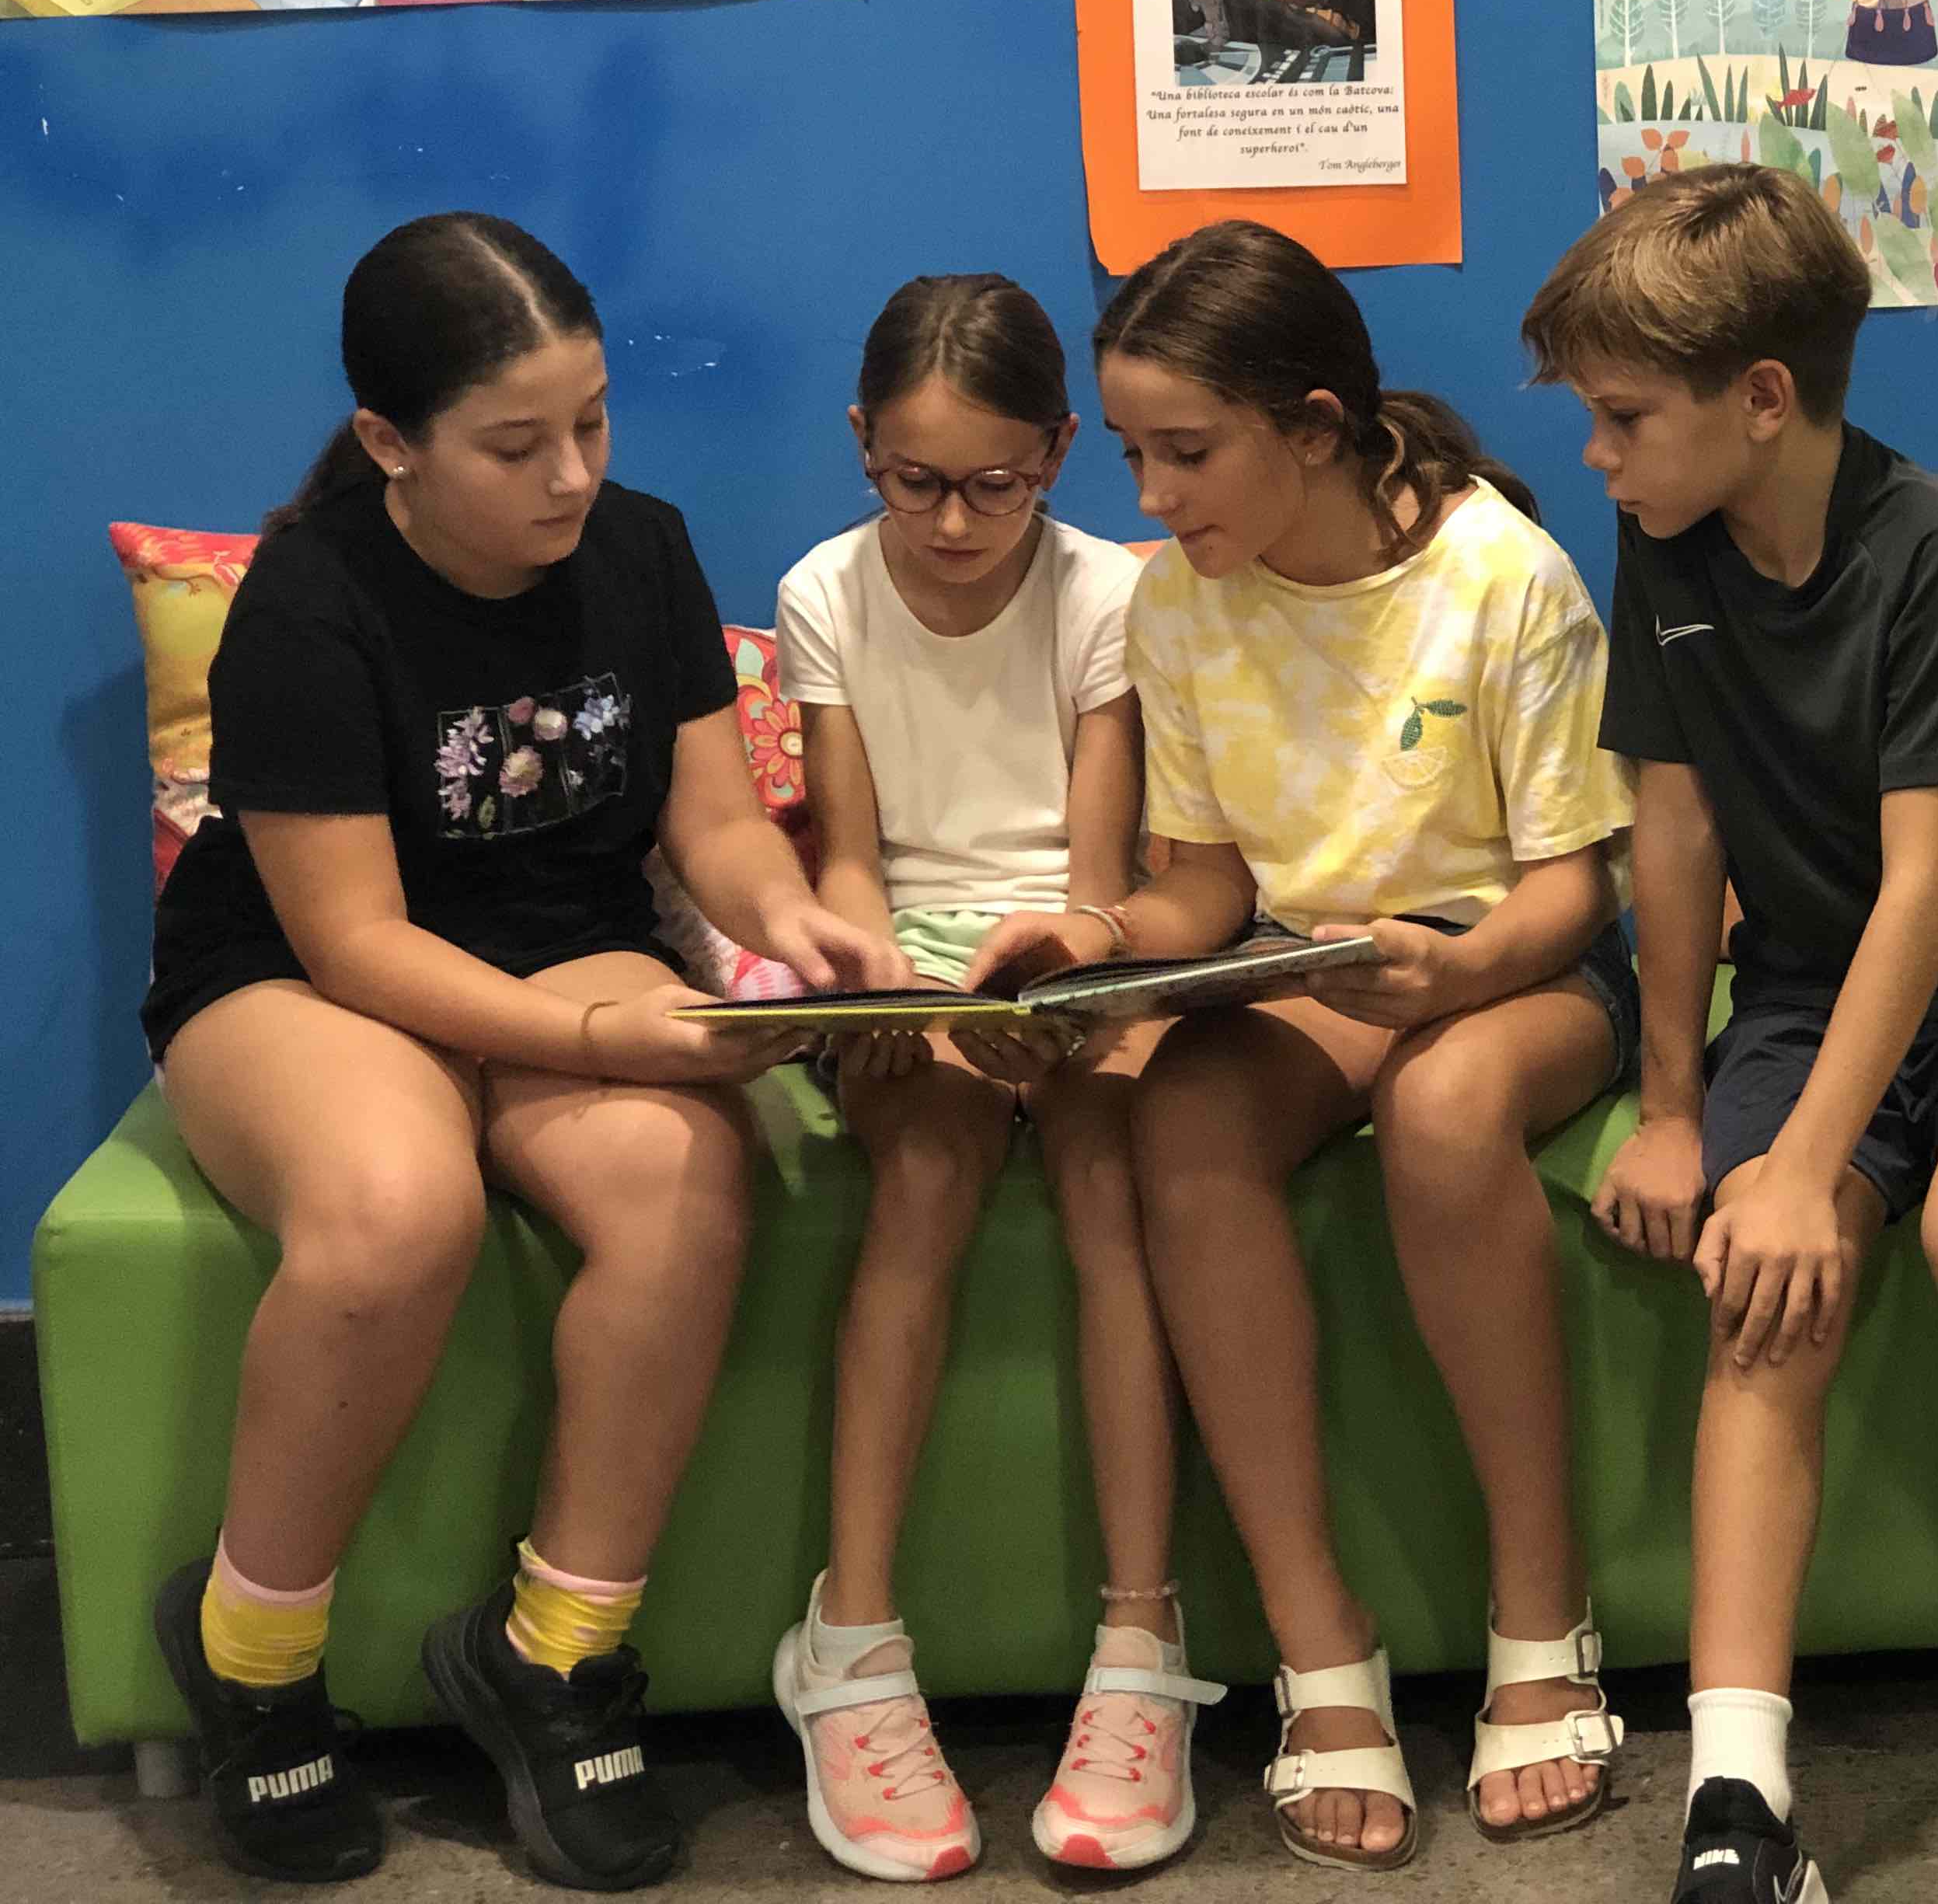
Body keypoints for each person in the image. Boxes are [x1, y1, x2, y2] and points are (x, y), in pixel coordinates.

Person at [142, 212, 901, 1889]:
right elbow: (356, 942)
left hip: (561, 939)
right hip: (307, 975)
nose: (571, 475)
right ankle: (254, 1656)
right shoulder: (310, 602)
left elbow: (715, 823)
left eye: (593, 422)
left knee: (688, 1179)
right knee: (397, 1209)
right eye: (515, 444)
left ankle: (553, 1655)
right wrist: (604, 1029)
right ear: (390, 443)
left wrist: (793, 923)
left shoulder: (643, 549)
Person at [1518, 162, 1938, 1904]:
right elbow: (1673, 826)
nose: (1600, 456)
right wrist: (1675, 1107)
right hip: (1805, 991)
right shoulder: (1665, 540)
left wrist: (1808, 1167)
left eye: (1625, 418)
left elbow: (1932, 890)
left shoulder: (1929, 547)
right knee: (1758, 1292)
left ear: (1761, 398)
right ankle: (1740, 1797)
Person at [974, 219, 1639, 1871]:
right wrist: (1096, 946)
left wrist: (1461, 971)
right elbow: (1206, 888)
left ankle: (1541, 1614)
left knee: (1449, 1105)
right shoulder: (1178, 605)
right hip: (1314, 969)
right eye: (1132, 453)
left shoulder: (1501, 576)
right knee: (1181, 1121)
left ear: (1318, 429)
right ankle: (1318, 1645)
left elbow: (1577, 882)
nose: (1150, 495)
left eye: (1187, 452)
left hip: (1518, 966)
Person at [766, 274, 1216, 1881]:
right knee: (929, 1164)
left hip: (1074, 948)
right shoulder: (825, 590)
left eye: (998, 485)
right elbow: (850, 859)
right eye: (916, 482)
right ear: (861, 446)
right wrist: (887, 984)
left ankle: (1140, 1644)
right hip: (906, 958)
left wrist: (1061, 995)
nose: (955, 523)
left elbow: (1099, 874)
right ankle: (852, 1641)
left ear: (1062, 452)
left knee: (1108, 1173)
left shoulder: (1107, 592)